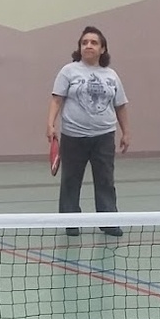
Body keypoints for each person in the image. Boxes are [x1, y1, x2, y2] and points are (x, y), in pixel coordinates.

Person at [46, 26, 130, 236]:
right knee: (71, 180)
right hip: (74, 136)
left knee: (105, 180)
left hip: (104, 136)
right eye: (85, 43)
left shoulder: (111, 75)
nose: (88, 46)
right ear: (80, 48)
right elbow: (57, 99)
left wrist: (126, 132)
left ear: (103, 49)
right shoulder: (68, 71)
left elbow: (120, 105)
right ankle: (71, 222)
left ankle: (109, 221)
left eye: (93, 43)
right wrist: (50, 124)